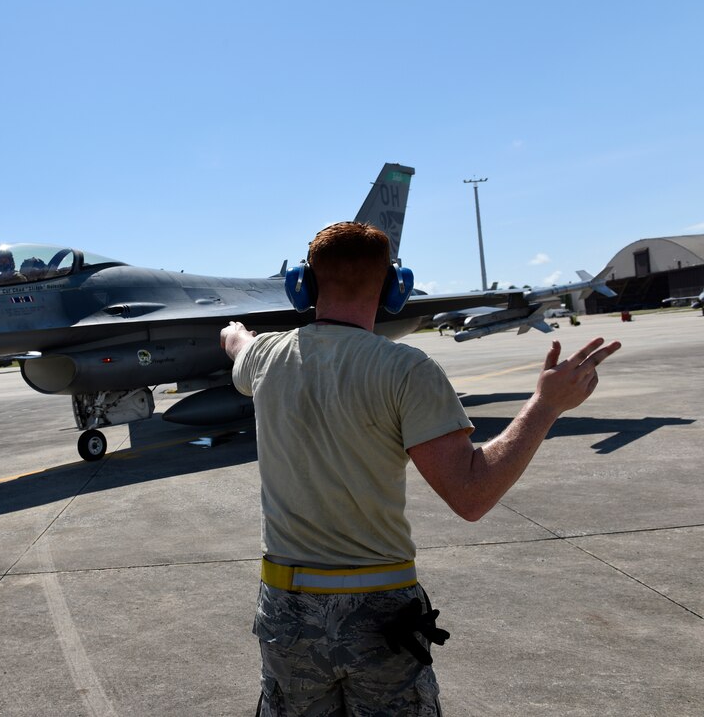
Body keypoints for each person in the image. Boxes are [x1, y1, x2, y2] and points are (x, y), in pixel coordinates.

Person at [220, 221, 620, 716]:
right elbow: (470, 494)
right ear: (394, 287)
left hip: (286, 614)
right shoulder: (406, 370)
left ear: (302, 284)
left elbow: (237, 348)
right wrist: (545, 405)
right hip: (379, 615)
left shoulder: (264, 358)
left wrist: (236, 334)